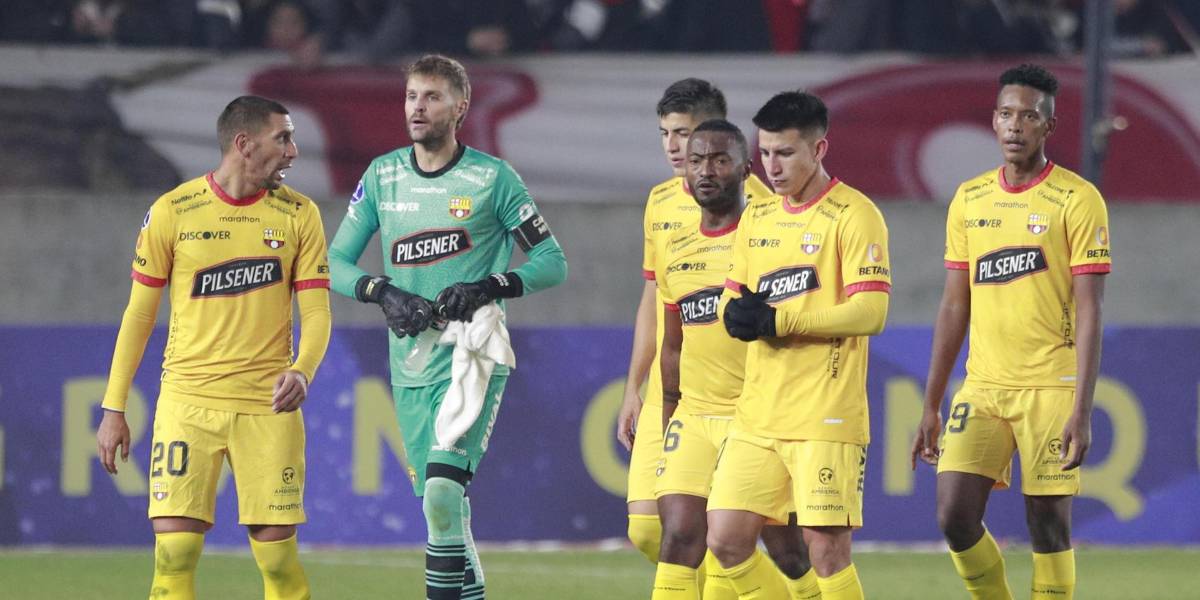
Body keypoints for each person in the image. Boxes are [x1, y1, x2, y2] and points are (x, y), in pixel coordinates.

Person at [327, 54, 567, 600]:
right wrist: (382, 291)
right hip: (410, 363)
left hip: (472, 356)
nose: (418, 107)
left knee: (440, 493)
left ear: (460, 107)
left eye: (432, 97)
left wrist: (488, 287)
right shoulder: (382, 175)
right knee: (443, 511)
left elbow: (552, 261)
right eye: (412, 96)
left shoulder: (493, 178)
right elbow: (335, 263)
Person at [96, 95, 332, 600]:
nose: (293, 152)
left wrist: (303, 370)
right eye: (283, 138)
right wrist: (114, 407)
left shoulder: (300, 215)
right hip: (188, 404)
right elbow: (139, 316)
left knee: (279, 564)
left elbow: (315, 312)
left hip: (267, 408)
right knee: (174, 555)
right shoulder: (172, 211)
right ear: (244, 145)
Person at [911, 63, 1111, 600]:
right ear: (993, 122)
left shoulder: (1077, 199)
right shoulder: (970, 199)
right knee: (954, 515)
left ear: (1049, 126)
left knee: (1047, 526)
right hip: (984, 388)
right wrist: (931, 402)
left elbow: (1090, 310)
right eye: (1005, 114)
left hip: (1051, 386)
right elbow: (955, 306)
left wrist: (1081, 409)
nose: (1015, 125)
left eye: (1029, 115)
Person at [706, 90, 892, 600]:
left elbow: (871, 311)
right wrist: (734, 314)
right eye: (764, 153)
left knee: (826, 551)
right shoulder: (759, 218)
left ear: (820, 148)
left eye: (785, 153)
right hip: (758, 415)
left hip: (825, 415)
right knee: (725, 539)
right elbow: (732, 294)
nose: (772, 166)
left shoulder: (855, 214)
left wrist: (779, 320)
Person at [616, 77, 775, 593]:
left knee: (733, 537)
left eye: (683, 133)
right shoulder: (660, 201)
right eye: (665, 133)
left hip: (742, 400)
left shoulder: (761, 208)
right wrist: (633, 386)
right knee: (647, 528)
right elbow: (654, 303)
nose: (672, 147)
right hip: (677, 388)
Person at [652, 119, 819, 599]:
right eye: (697, 159)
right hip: (695, 416)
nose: (706, 170)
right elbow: (674, 344)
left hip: (759, 420)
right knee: (680, 535)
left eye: (720, 160)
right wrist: (668, 414)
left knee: (787, 551)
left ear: (747, 170)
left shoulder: (771, 239)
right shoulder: (676, 247)